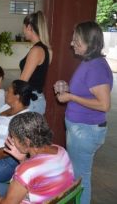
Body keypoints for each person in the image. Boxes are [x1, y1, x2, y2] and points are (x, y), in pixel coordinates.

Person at [56, 21, 113, 204]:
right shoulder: (89, 63)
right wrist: (67, 89)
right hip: (81, 129)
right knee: (78, 175)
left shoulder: (96, 67)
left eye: (76, 40)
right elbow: (86, 90)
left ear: (90, 43)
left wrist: (71, 98)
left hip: (85, 131)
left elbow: (104, 105)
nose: (72, 44)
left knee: (80, 179)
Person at [0, 112, 75, 204]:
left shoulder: (25, 171)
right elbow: (37, 174)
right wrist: (22, 160)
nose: (10, 140)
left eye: (13, 137)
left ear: (26, 141)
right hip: (46, 197)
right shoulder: (60, 150)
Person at [19, 11, 52, 114]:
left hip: (31, 100)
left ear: (29, 27)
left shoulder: (36, 50)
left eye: (23, 27)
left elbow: (22, 81)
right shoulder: (46, 49)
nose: (23, 31)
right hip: (35, 99)